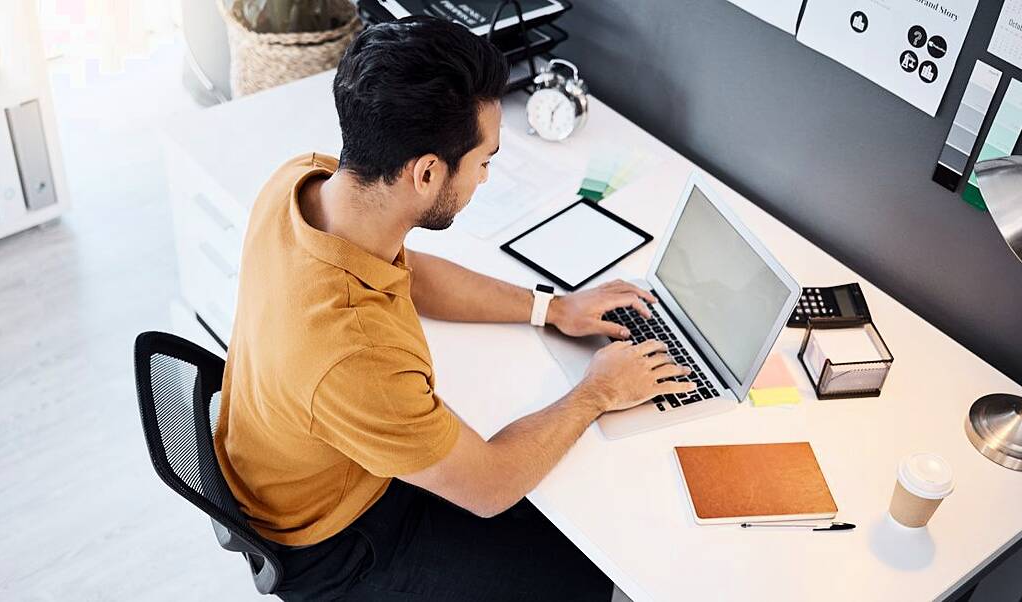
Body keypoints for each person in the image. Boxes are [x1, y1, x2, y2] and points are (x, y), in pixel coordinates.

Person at [213, 16, 695, 601]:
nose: (487, 178)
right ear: (426, 172)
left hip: (307, 464)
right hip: (337, 543)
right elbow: (490, 487)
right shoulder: (357, 355)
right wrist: (598, 392)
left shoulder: (304, 184)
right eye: (485, 161)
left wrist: (553, 309)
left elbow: (407, 273)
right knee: (593, 571)